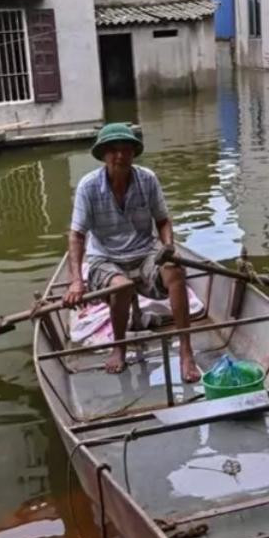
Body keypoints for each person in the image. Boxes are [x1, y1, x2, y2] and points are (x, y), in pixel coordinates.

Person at [64, 123, 200, 381]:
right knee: (122, 286)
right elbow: (77, 235)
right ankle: (119, 346)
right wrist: (76, 281)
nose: (120, 156)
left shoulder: (146, 178)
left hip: (145, 253)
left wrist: (168, 247)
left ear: (133, 153)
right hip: (106, 258)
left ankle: (185, 350)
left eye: (126, 150)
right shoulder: (88, 186)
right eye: (113, 150)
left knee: (175, 270)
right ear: (103, 154)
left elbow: (162, 220)